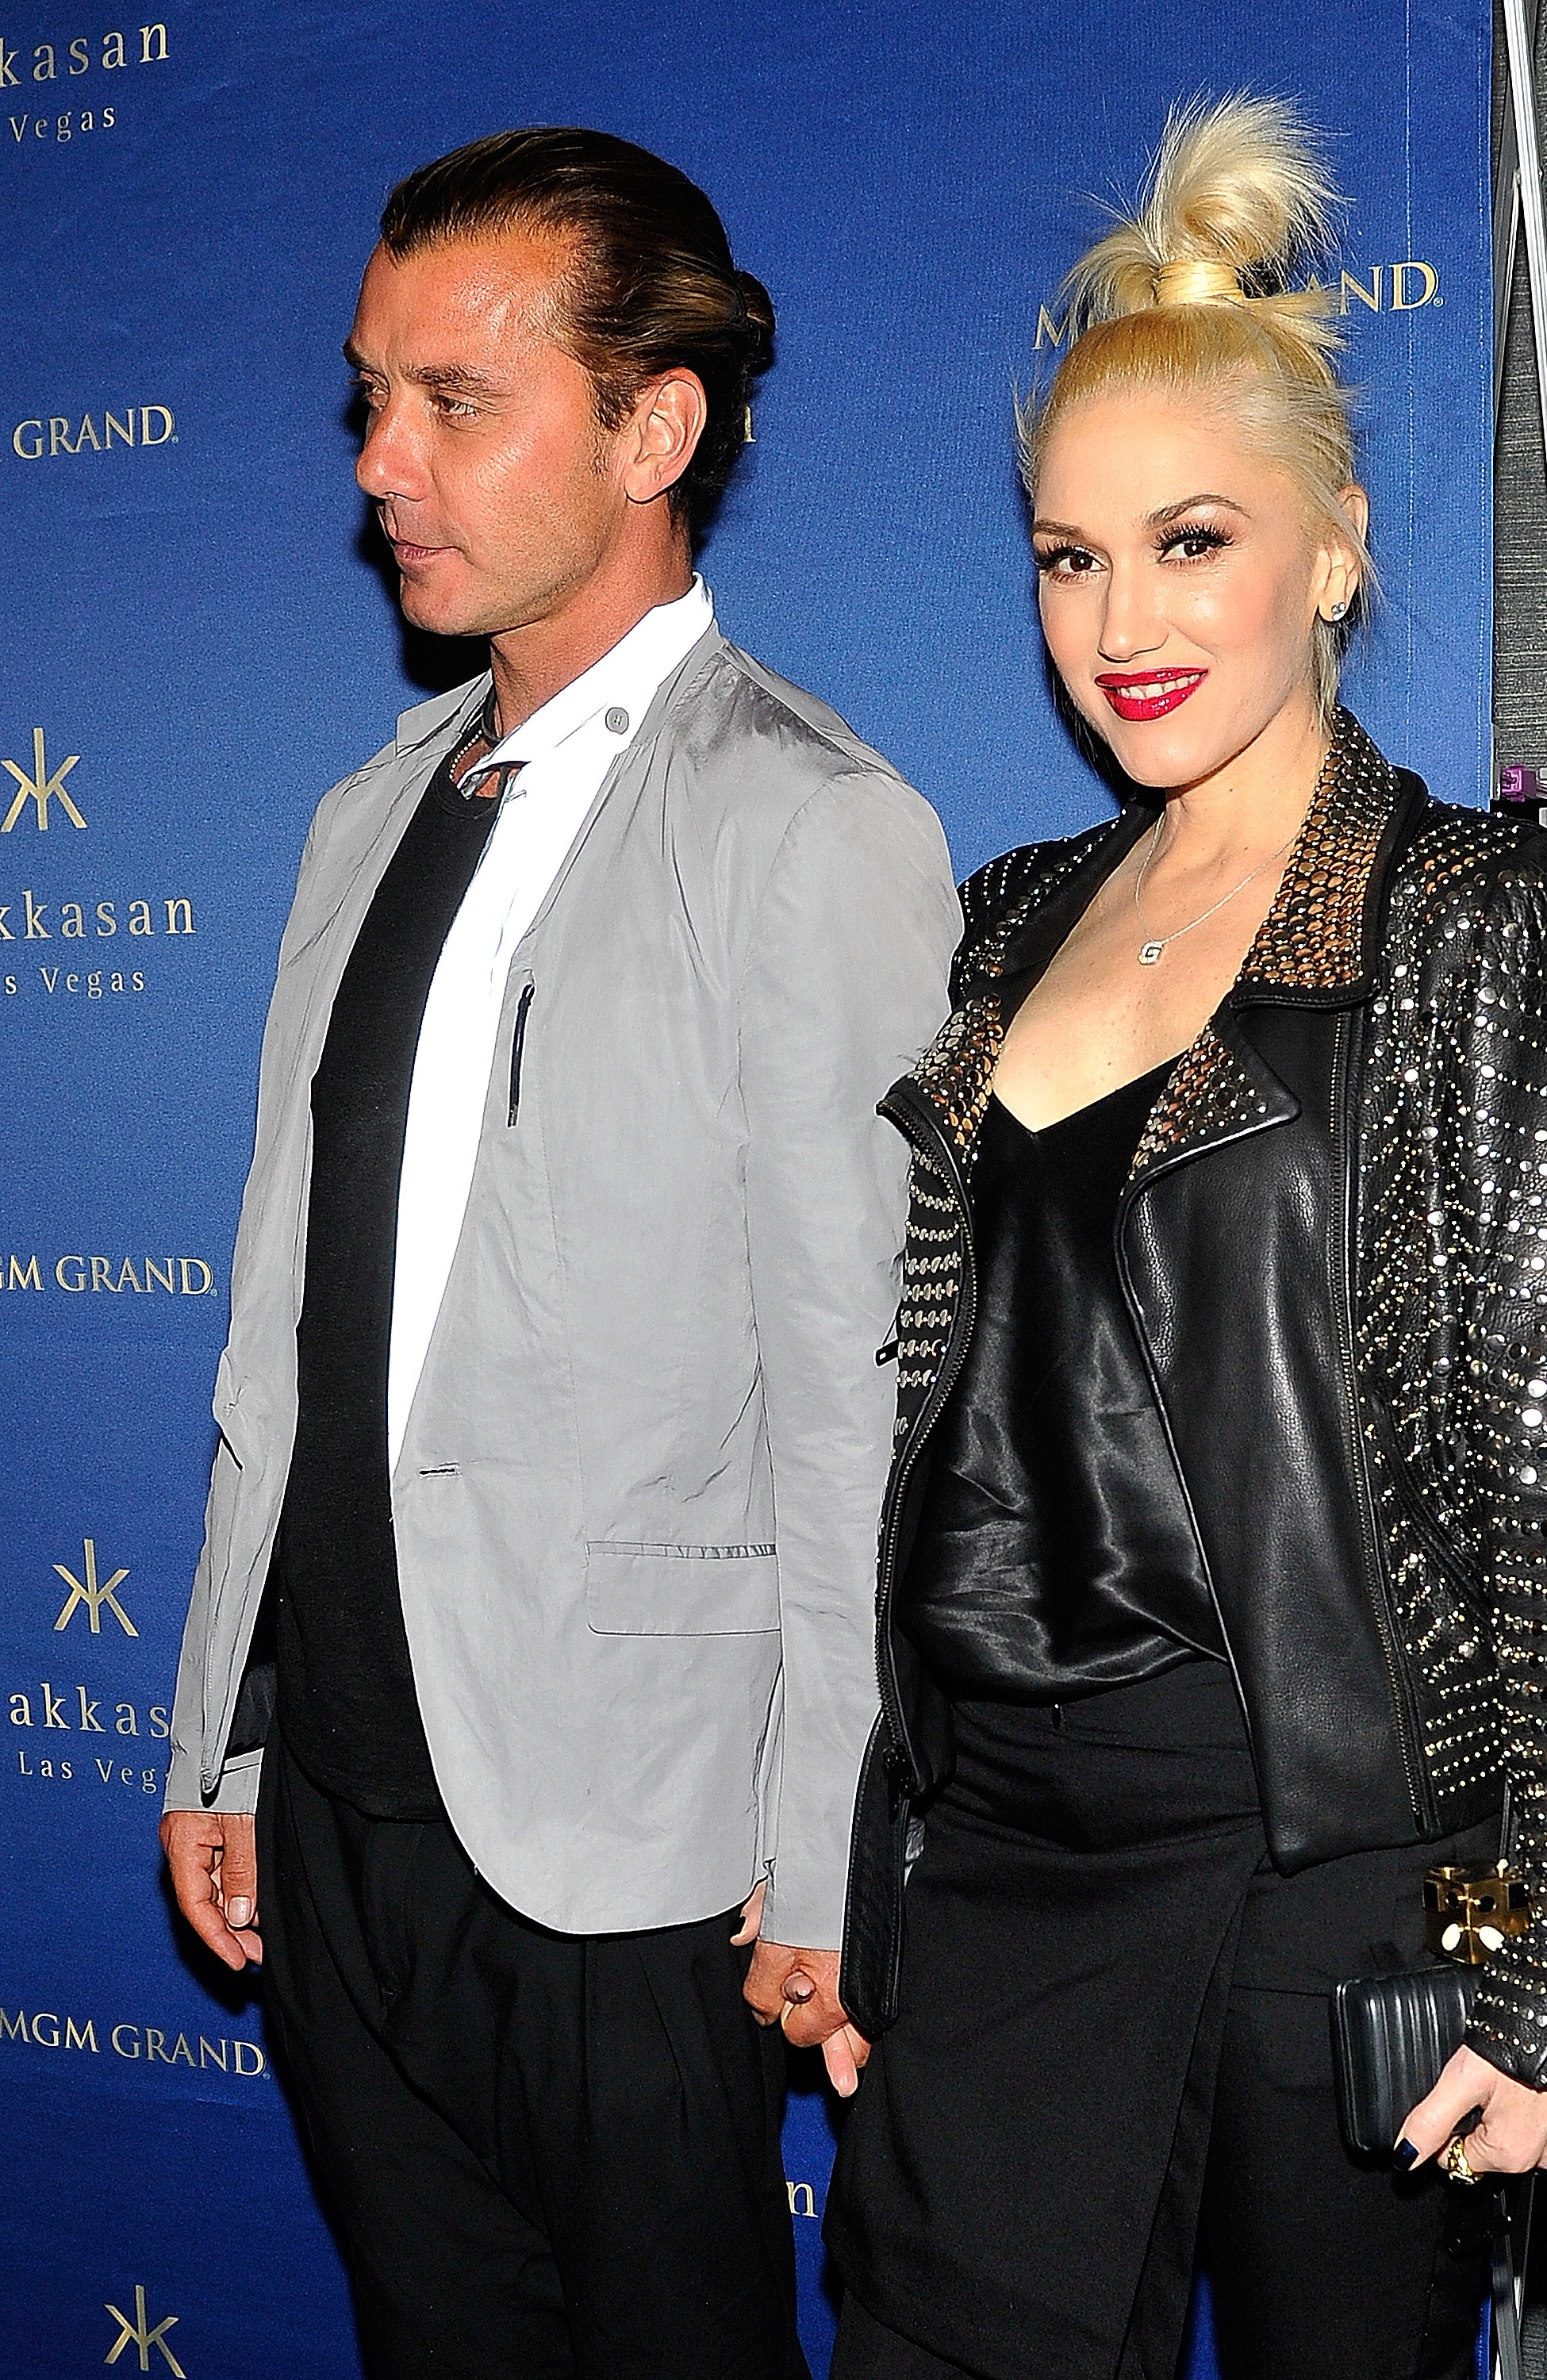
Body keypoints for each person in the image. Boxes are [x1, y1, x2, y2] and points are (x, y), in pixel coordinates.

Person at [824, 95, 1547, 2380]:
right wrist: (851, 1853)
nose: (1121, 620)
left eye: (1187, 541)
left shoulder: (1474, 921)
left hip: (1329, 1861)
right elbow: (938, 1419)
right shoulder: (1012, 918)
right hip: (999, 1839)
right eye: (1064, 557)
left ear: (1329, 551)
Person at [158, 127, 958, 2379]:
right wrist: (223, 1732)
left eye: (453, 400)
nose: (383, 460)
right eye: (369, 399)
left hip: (629, 1848)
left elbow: (860, 1409)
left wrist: (828, 1851)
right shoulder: (360, 813)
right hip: (335, 1817)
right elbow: (286, 1333)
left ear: (652, 426)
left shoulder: (807, 826)